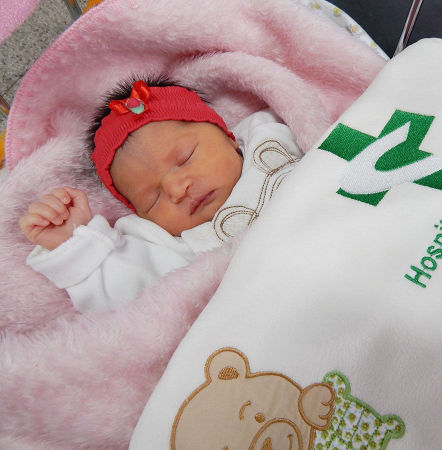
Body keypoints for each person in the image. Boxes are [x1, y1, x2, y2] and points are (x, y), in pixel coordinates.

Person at [19, 77, 302, 312]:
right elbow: (126, 296)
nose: (177, 189)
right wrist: (76, 243)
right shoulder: (172, 245)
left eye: (185, 158)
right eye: (153, 198)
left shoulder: (266, 133)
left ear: (228, 137)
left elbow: (318, 119)